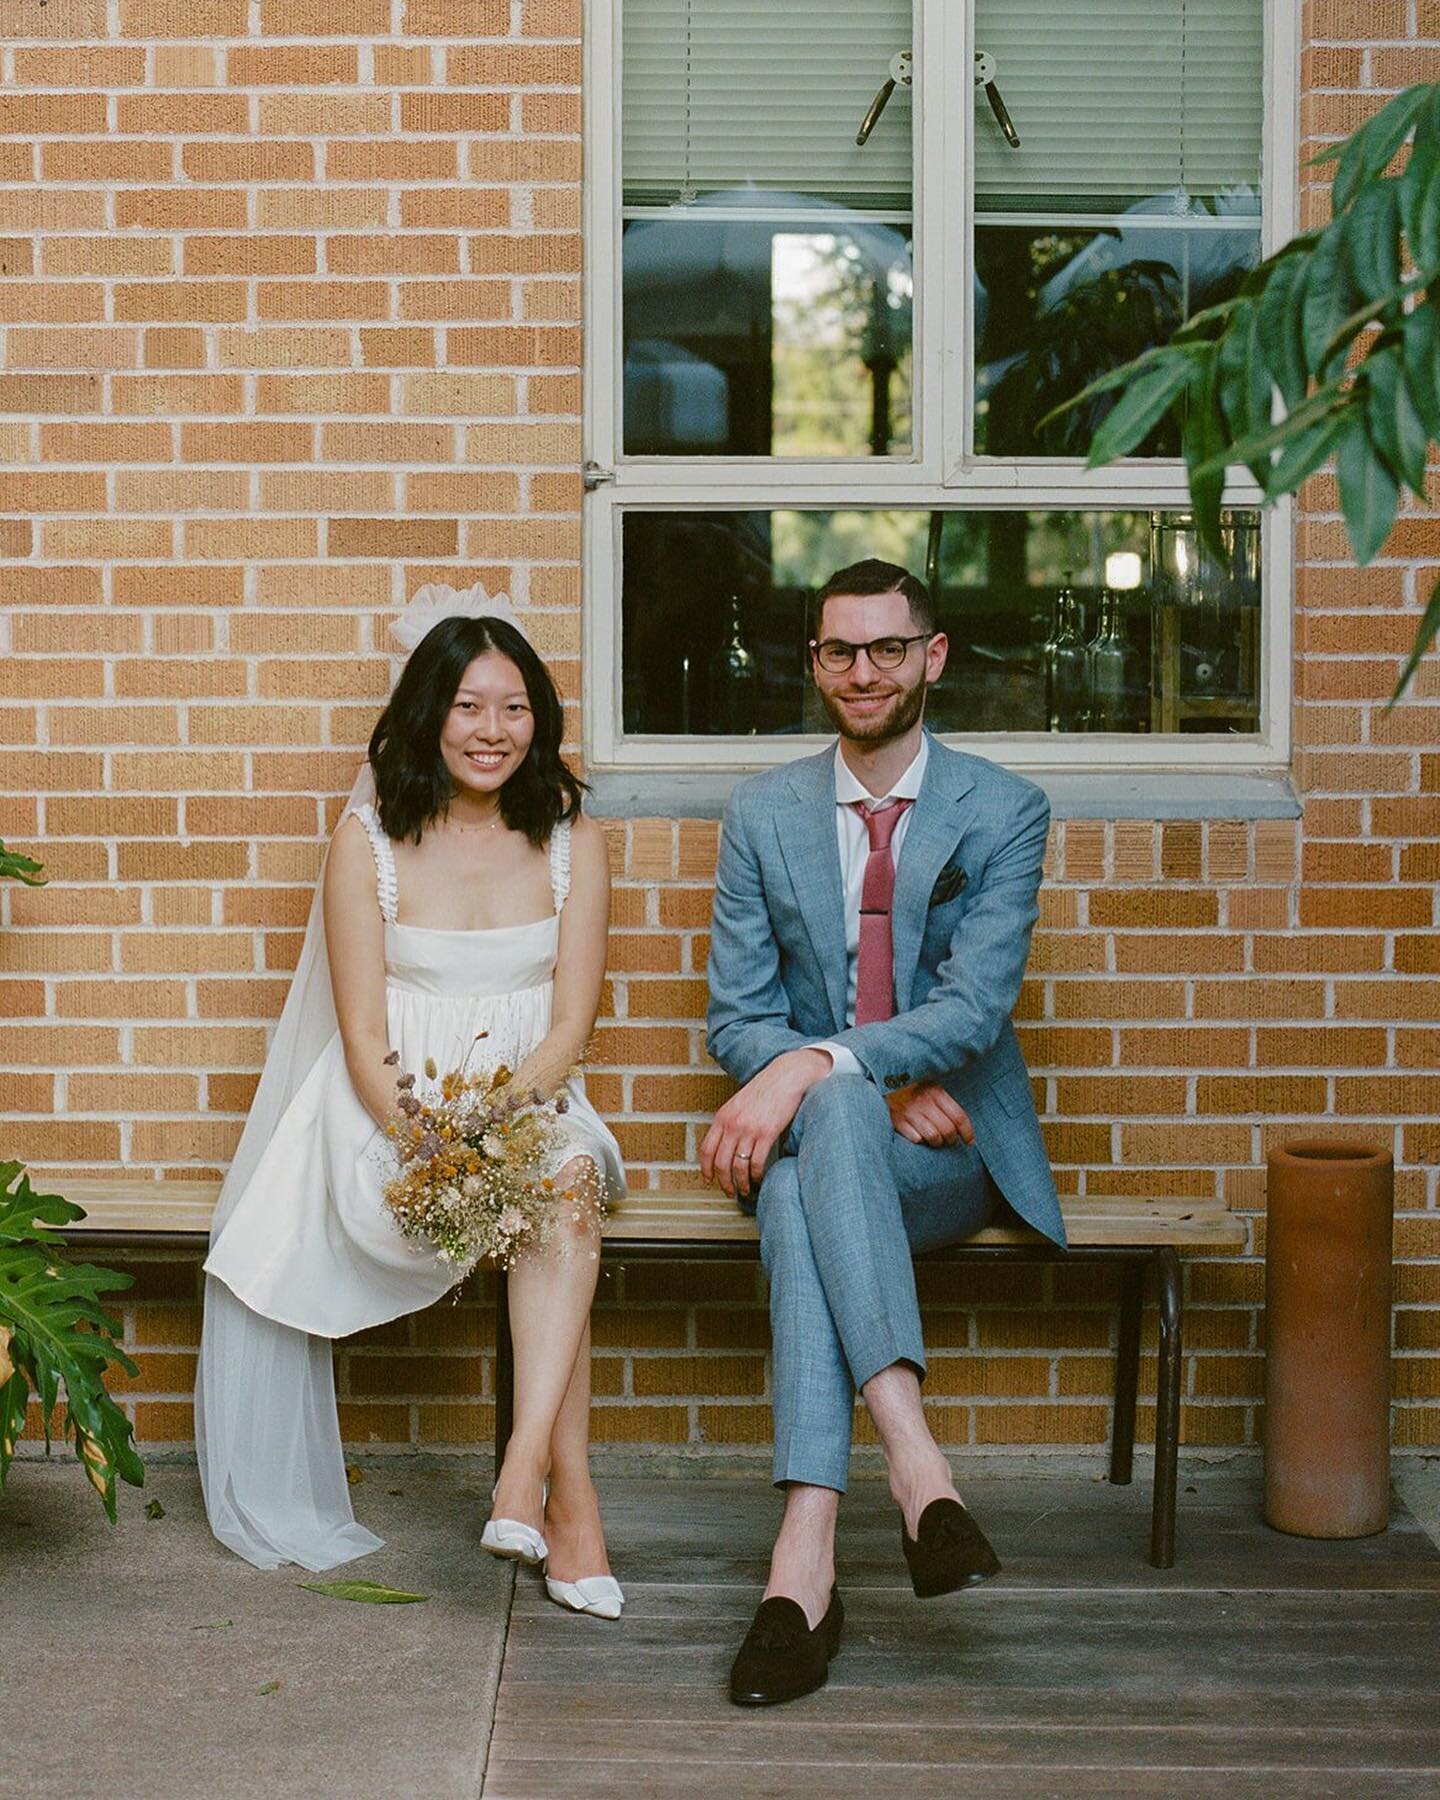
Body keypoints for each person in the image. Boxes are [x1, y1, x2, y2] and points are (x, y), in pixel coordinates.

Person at [197, 585, 626, 1620]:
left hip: (529, 1100)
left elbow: (570, 1025)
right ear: (430, 713)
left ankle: (523, 1478)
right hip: (391, 1115)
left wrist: (500, 1126)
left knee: (563, 1180)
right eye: (471, 706)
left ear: (541, 720)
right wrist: (439, 1141)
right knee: (542, 1209)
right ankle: (570, 1501)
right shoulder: (370, 842)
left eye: (516, 707)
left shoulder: (570, 835)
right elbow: (358, 1040)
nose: (494, 731)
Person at [701, 558, 1066, 1705]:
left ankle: (804, 1572)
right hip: (827, 1144)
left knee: (827, 1135)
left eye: (887, 649)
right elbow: (738, 1017)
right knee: (835, 1130)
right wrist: (845, 1084)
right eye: (838, 651)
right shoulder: (763, 815)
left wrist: (823, 1064)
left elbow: (972, 1008)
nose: (863, 671)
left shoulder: (1002, 810)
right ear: (813, 662)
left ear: (933, 657)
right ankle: (901, 1472)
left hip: (949, 1154)